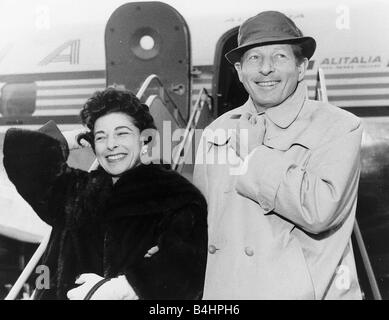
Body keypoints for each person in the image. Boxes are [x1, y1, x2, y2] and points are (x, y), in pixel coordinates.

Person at [193, 11, 363, 299]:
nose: (266, 69)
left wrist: (255, 155)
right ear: (239, 71)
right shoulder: (216, 131)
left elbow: (319, 211)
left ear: (301, 67)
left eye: (280, 57)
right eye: (254, 58)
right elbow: (200, 219)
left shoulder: (339, 127)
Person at [3, 87, 208, 300]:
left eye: (122, 133)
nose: (111, 145)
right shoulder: (76, 189)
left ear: (144, 138)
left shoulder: (176, 196)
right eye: (101, 137)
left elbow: (188, 267)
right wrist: (71, 138)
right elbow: (25, 156)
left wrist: (124, 288)